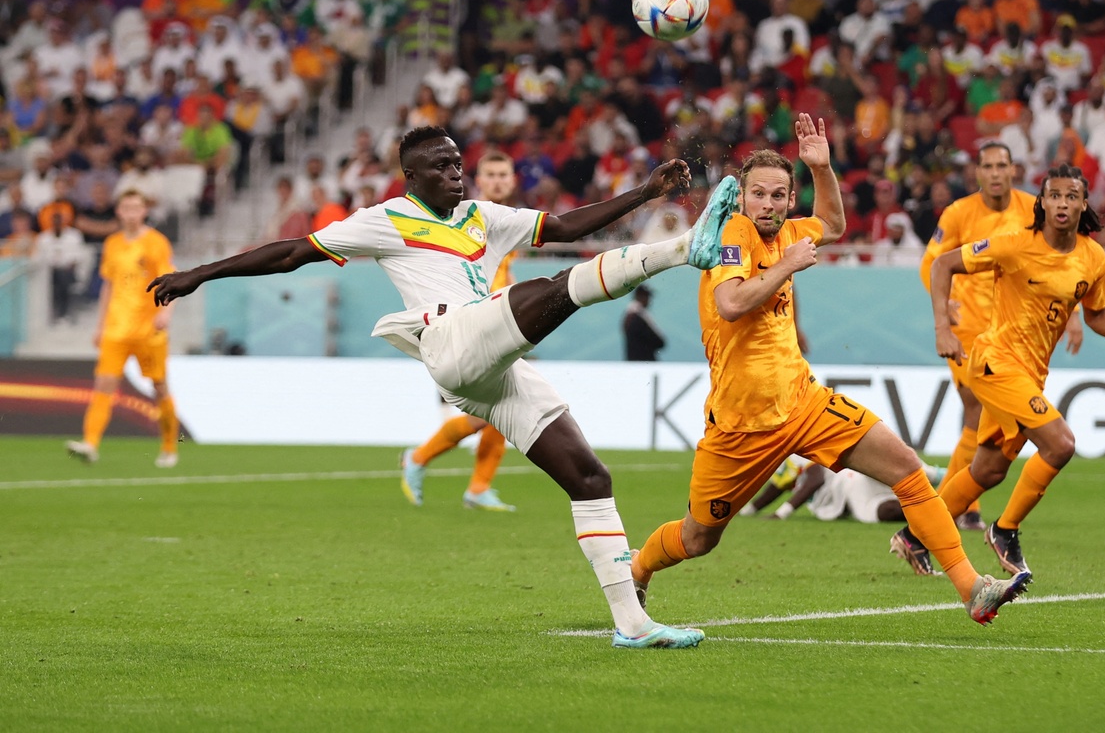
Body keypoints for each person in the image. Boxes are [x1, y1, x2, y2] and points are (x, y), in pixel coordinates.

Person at [149, 125, 744, 649]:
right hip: (448, 343)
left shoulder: (483, 216)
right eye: (441, 166)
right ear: (412, 177)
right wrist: (201, 273)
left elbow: (564, 225)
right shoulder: (385, 220)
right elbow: (291, 254)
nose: (456, 173)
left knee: (590, 477)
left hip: (490, 368)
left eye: (458, 163)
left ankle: (631, 624)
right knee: (552, 290)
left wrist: (645, 192)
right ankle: (681, 249)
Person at [629, 116, 1031, 627]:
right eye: (759, 194)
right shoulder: (732, 233)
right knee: (697, 537)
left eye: (779, 195)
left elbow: (833, 224)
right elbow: (730, 304)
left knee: (906, 468)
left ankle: (972, 587)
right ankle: (637, 568)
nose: (768, 204)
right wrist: (787, 265)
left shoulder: (791, 231)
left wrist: (821, 168)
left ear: (789, 199)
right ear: (743, 197)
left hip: (804, 402)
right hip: (741, 424)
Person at [909, 163, 1105, 579]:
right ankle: (1005, 530)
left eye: (1071, 196)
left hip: (1029, 374)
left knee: (988, 470)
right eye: (1054, 195)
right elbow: (942, 265)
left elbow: (1096, 313)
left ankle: (916, 535)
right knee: (1060, 444)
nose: (1062, 203)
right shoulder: (1013, 245)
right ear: (1041, 202)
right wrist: (942, 327)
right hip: (994, 362)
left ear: (1083, 204)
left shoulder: (1093, 257)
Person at [917, 141, 1077, 532]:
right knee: (974, 408)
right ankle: (956, 510)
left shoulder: (1031, 208)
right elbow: (931, 262)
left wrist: (1074, 314)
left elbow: (1058, 259)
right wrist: (943, 304)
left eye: (1001, 166)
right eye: (987, 166)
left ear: (1012, 170)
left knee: (989, 431)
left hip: (1013, 331)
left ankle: (943, 509)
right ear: (977, 172)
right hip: (970, 328)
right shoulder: (959, 212)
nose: (994, 173)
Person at [399, 151, 527, 514]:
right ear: (478, 180)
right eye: (491, 175)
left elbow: (499, 271)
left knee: (504, 408)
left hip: (499, 325)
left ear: (513, 180)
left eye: (504, 174)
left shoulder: (509, 219)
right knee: (492, 411)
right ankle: (419, 458)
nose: (498, 181)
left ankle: (477, 486)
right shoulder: (464, 216)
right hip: (469, 325)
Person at [67, 189, 179, 468]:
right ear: (118, 211)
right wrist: (100, 325)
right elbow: (109, 285)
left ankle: (169, 447)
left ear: (144, 211)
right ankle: (90, 444)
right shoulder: (112, 243)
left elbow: (172, 280)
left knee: (159, 387)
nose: (131, 213)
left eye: (136, 208)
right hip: (116, 329)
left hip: (148, 330)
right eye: (126, 208)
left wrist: (165, 313)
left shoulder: (156, 243)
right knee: (103, 383)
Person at [739, 455, 946, 523]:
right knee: (888, 511)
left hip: (850, 481)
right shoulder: (779, 460)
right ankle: (946, 505)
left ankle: (945, 476)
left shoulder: (797, 446)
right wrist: (745, 511)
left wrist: (782, 513)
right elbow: (775, 488)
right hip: (847, 498)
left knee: (896, 468)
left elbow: (815, 480)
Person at [622, 285, 666, 361]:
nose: (649, 300)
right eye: (646, 296)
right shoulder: (638, 318)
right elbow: (659, 342)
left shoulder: (629, 317)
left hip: (635, 361)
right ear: (638, 296)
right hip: (642, 362)